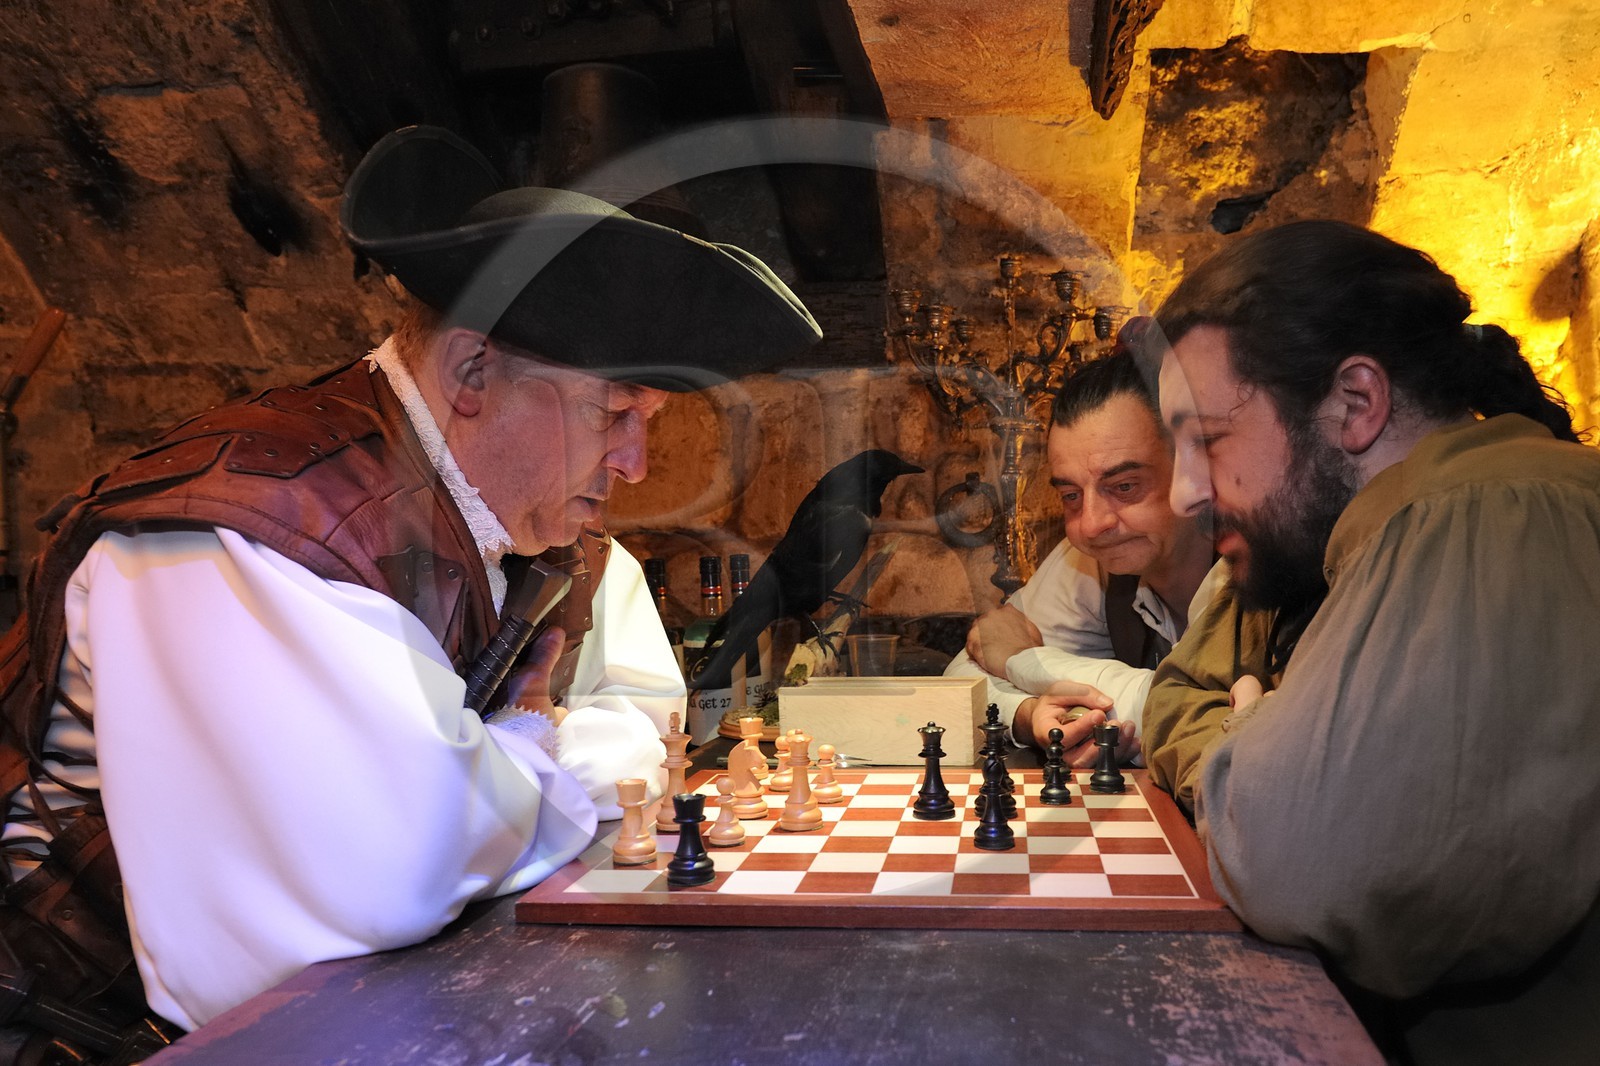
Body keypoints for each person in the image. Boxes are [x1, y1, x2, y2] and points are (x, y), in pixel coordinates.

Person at [0, 124, 821, 1053]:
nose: (636, 465)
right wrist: (524, 743)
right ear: (473, 373)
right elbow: (392, 869)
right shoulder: (251, 530)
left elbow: (645, 730)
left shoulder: (552, 540)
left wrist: (481, 772)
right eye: (616, 413)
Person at [1149, 218, 1600, 1064]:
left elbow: (1297, 860)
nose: (1182, 494)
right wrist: (1253, 743)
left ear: (1355, 404)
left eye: (1207, 440)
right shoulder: (1334, 543)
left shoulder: (1483, 512)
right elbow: (1180, 697)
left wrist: (1250, 737)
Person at [946, 342, 1221, 756]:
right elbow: (960, 678)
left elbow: (1203, 713)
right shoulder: (1092, 562)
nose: (1091, 525)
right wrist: (1029, 711)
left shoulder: (1253, 562)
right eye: (1071, 495)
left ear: (1192, 469)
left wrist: (1023, 661)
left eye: (1124, 486)